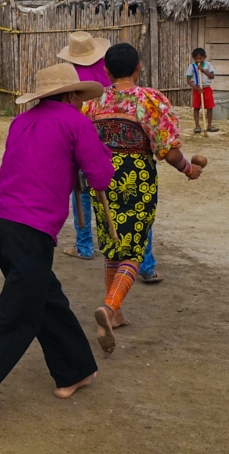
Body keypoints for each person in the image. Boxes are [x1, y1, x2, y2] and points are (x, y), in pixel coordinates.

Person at [0, 63, 113, 424]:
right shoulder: (76, 121)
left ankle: (75, 370)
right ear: (72, 95)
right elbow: (100, 176)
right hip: (30, 229)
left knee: (46, 299)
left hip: (0, 222)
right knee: (18, 316)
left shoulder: (22, 121)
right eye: (79, 96)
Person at [85, 43, 202, 354]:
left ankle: (118, 313)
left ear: (107, 72)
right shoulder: (150, 101)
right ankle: (109, 310)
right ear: (139, 67)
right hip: (137, 177)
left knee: (112, 242)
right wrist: (189, 169)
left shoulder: (94, 103)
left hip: (103, 179)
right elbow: (168, 150)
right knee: (134, 251)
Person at [57, 31, 111, 261]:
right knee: (109, 191)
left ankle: (85, 246)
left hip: (80, 133)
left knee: (80, 192)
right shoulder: (108, 71)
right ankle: (116, 242)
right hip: (110, 136)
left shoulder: (70, 75)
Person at [187, 47, 218, 134]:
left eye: (200, 58)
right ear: (193, 58)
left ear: (204, 57)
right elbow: (188, 80)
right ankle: (197, 126)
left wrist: (203, 70)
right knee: (196, 107)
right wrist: (195, 87)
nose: (198, 60)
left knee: (209, 107)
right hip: (197, 89)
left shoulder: (208, 65)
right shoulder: (191, 66)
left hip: (207, 88)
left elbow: (212, 76)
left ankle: (209, 126)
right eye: (196, 58)